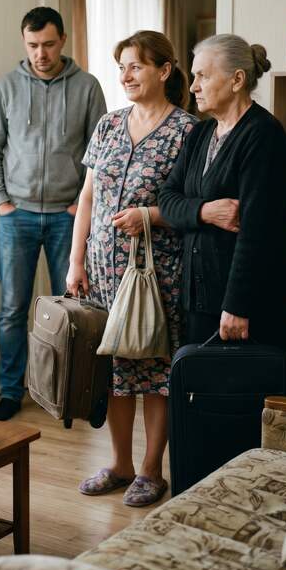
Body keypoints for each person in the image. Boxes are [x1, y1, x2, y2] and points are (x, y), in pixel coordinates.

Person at [67, 30, 196, 506]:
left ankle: (150, 470)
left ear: (164, 71)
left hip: (156, 271)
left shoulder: (188, 131)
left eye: (136, 66)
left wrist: (151, 216)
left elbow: (192, 206)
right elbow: (87, 198)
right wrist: (75, 260)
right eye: (121, 66)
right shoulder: (107, 125)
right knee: (114, 373)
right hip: (102, 270)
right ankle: (120, 465)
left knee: (154, 368)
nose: (125, 76)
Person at [0, 7, 106, 421]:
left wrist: (78, 205)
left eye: (48, 44)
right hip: (15, 216)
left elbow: (99, 153)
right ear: (24, 43)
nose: (41, 54)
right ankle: (11, 392)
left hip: (66, 218)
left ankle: (69, 392)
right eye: (32, 45)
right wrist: (0, 200)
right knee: (13, 309)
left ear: (63, 41)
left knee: (72, 312)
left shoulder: (87, 87)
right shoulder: (6, 87)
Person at [159, 34, 286, 350]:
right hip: (202, 298)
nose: (193, 86)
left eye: (203, 76)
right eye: (194, 76)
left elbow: (258, 233)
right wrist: (204, 212)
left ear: (237, 80)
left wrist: (238, 306)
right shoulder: (201, 132)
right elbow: (166, 200)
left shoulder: (264, 136)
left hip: (248, 304)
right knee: (204, 395)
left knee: (248, 397)